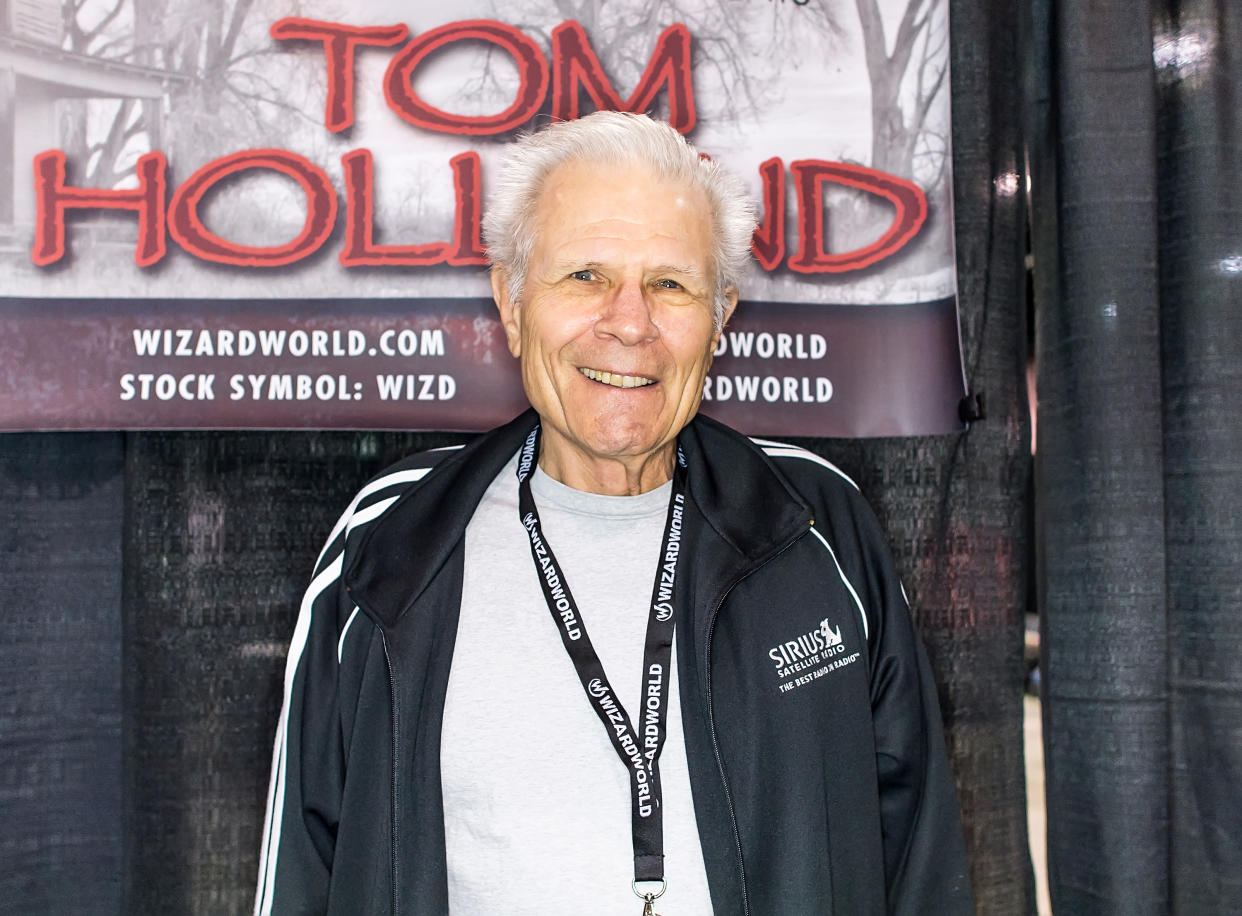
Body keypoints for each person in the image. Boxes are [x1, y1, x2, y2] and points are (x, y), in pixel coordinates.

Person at [255, 111, 972, 916]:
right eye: (585, 276)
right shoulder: (391, 542)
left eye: (671, 284)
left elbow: (919, 857)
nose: (629, 323)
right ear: (514, 301)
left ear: (721, 316)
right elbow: (303, 873)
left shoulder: (819, 529)